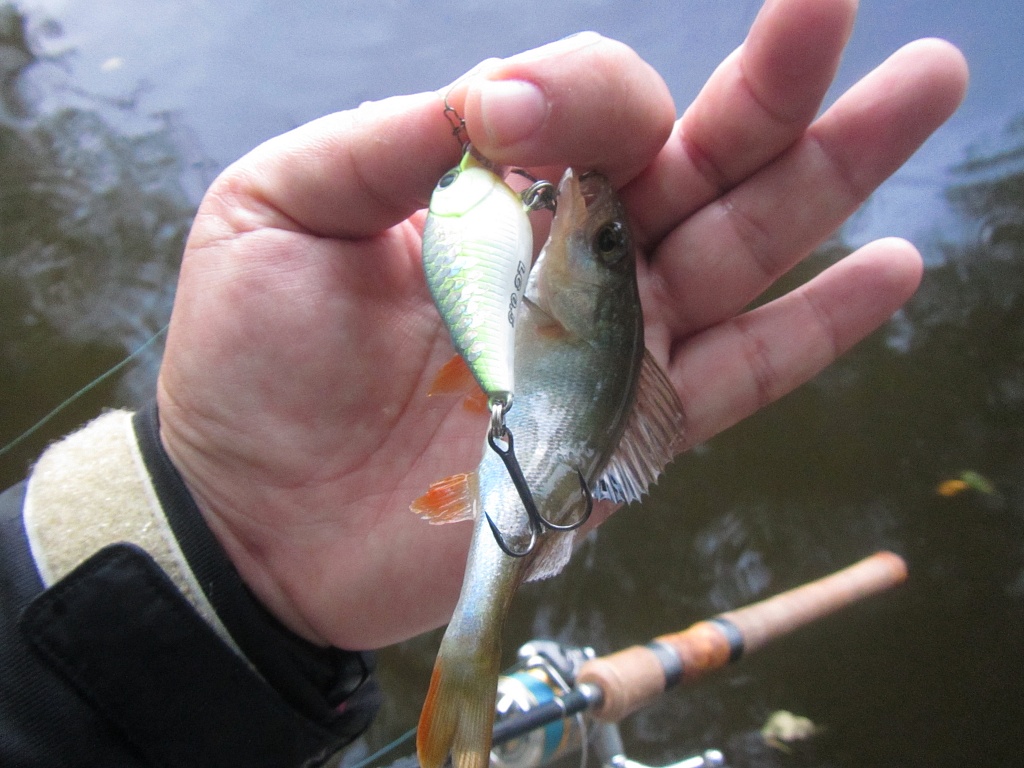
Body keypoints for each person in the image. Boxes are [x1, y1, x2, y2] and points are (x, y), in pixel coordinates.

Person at [0, 1, 968, 765]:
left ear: (585, 290)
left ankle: (467, 651)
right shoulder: (554, 301)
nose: (591, 223)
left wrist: (216, 556)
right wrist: (223, 523)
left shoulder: (561, 305)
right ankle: (464, 660)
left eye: (602, 244)